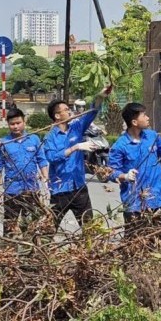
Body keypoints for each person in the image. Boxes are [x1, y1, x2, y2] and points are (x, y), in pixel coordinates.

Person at [108, 103, 161, 233]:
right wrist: (125, 176)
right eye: (144, 115)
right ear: (134, 122)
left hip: (157, 200)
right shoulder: (120, 146)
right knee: (135, 241)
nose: (148, 118)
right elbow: (111, 172)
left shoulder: (153, 137)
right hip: (134, 203)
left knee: (159, 237)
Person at [43, 86, 111, 229]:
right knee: (49, 230)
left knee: (90, 229)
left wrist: (100, 96)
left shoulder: (76, 128)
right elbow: (52, 157)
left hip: (79, 188)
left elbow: (92, 112)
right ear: (57, 116)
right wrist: (76, 147)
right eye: (66, 110)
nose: (70, 112)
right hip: (60, 189)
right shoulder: (50, 137)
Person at [0, 108, 49, 237]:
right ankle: (8, 252)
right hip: (11, 190)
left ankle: (30, 251)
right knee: (9, 226)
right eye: (12, 124)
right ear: (8, 125)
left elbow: (42, 160)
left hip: (31, 189)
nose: (15, 126)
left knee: (31, 225)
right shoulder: (4, 143)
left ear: (24, 122)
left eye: (18, 123)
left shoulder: (34, 139)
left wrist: (45, 180)